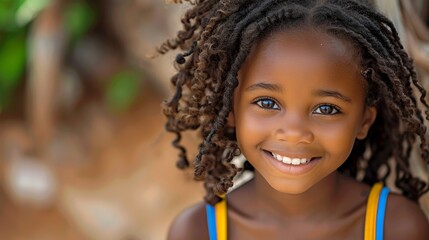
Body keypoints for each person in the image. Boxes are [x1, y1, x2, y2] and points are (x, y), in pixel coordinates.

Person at [158, 0, 429, 239]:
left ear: (363, 122)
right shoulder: (198, 232)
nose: (294, 132)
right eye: (267, 103)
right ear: (230, 110)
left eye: (326, 109)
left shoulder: (396, 228)